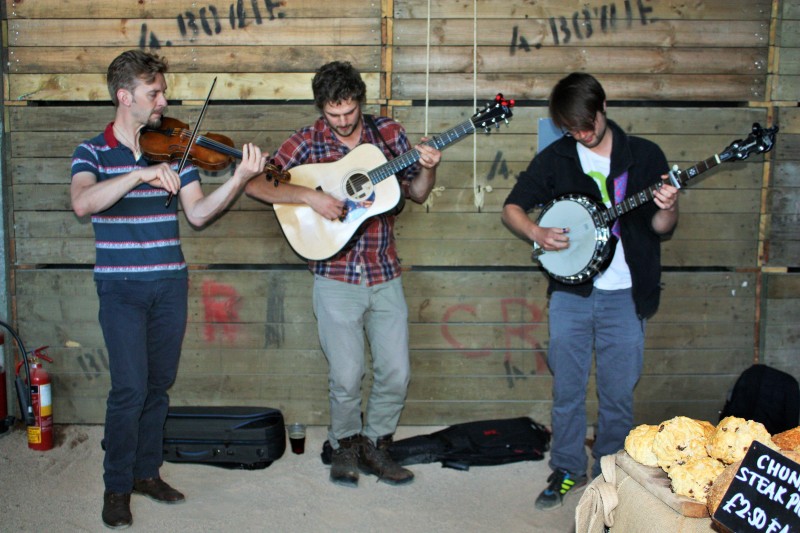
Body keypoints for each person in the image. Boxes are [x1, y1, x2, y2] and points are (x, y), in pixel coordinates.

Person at [70, 50, 267, 529]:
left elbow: (197, 214)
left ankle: (146, 473)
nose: (163, 100)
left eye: (162, 91)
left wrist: (239, 177)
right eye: (153, 93)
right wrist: (136, 173)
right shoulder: (92, 151)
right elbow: (82, 202)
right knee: (129, 389)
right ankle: (116, 485)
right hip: (120, 289)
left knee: (158, 387)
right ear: (125, 96)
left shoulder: (177, 149)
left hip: (169, 283)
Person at [245, 61, 441, 487]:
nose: (342, 122)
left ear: (360, 102)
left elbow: (418, 194)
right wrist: (309, 198)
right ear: (322, 109)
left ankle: (376, 444)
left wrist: (428, 165)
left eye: (349, 112)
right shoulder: (308, 139)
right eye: (333, 115)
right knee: (346, 375)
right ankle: (343, 444)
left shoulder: (388, 134)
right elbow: (257, 184)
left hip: (384, 271)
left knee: (396, 371)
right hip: (334, 277)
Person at [501, 72, 679, 511]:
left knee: (618, 394)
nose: (581, 135)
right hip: (570, 295)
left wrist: (668, 208)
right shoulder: (558, 157)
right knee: (567, 390)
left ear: (603, 110)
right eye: (571, 129)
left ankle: (608, 474)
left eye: (587, 125)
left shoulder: (644, 155)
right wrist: (537, 233)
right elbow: (511, 208)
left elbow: (661, 230)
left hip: (625, 294)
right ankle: (566, 469)